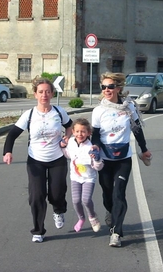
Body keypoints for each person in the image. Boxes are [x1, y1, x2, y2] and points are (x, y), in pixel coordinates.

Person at [2, 77, 72, 243]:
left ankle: (59, 210)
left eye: (47, 91)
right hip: (36, 160)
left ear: (52, 93)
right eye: (41, 92)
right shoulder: (29, 115)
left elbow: (70, 126)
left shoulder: (59, 112)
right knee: (36, 195)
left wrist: (67, 137)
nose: (44, 95)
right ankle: (38, 230)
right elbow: (12, 135)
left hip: (57, 159)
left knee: (57, 193)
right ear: (35, 94)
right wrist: (7, 152)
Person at [91, 72, 152, 247]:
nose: (107, 90)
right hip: (104, 159)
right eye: (104, 87)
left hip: (123, 158)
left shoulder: (128, 107)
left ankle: (116, 232)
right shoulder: (98, 111)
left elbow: (137, 130)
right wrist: (95, 146)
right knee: (107, 194)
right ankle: (111, 211)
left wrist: (144, 149)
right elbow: (95, 135)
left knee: (119, 194)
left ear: (118, 88)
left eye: (110, 86)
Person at [60, 118, 104, 233]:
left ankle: (92, 217)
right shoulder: (70, 142)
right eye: (77, 131)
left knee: (86, 199)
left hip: (89, 178)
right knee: (75, 201)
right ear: (73, 132)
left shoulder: (91, 147)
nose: (80, 134)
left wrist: (98, 158)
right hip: (75, 177)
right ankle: (81, 218)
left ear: (89, 133)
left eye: (83, 131)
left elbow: (98, 167)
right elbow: (68, 155)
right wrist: (62, 146)